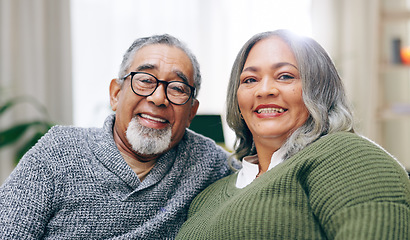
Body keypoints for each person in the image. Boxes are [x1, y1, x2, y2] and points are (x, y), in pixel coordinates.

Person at [176, 29, 410, 239]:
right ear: (237, 101)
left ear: (319, 90)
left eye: (285, 76)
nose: (265, 90)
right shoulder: (207, 195)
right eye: (250, 80)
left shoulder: (346, 155)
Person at [0, 34, 232, 239]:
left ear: (191, 111)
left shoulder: (209, 162)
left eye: (177, 88)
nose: (159, 98)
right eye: (145, 80)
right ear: (116, 94)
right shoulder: (59, 149)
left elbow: (261, 181)